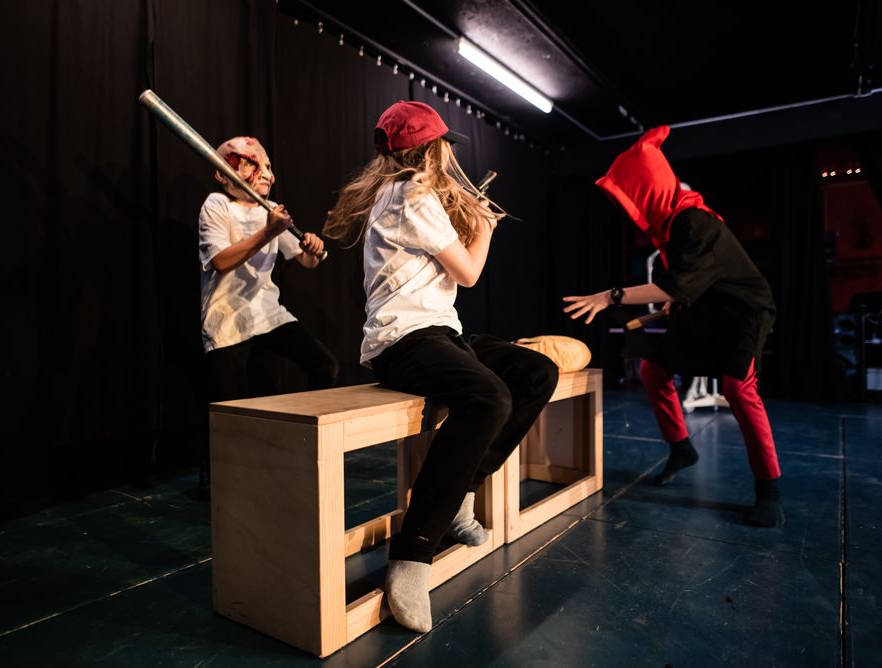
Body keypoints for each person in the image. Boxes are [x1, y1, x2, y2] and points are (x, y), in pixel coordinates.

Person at [323, 101, 559, 632]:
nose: (451, 155)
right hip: (402, 342)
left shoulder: (408, 194)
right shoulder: (411, 194)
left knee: (536, 373)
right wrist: (485, 226)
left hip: (439, 331)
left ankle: (460, 492)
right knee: (490, 398)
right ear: (432, 150)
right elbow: (470, 273)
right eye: (445, 145)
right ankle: (413, 553)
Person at [562, 125, 783, 528]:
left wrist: (610, 296)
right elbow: (687, 281)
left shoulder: (694, 221)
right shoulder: (672, 225)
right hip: (703, 310)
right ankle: (681, 448)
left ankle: (768, 489)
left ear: (647, 190)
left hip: (743, 314)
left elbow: (677, 282)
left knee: (738, 388)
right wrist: (674, 300)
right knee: (654, 369)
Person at [198, 136, 338, 492]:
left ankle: (301, 446)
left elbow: (305, 260)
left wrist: (314, 249)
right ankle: (217, 483)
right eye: (253, 164)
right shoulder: (217, 205)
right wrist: (267, 232)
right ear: (224, 174)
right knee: (230, 411)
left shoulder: (270, 209)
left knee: (325, 366)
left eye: (269, 166)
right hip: (227, 318)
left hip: (266, 312)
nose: (266, 174)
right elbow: (221, 261)